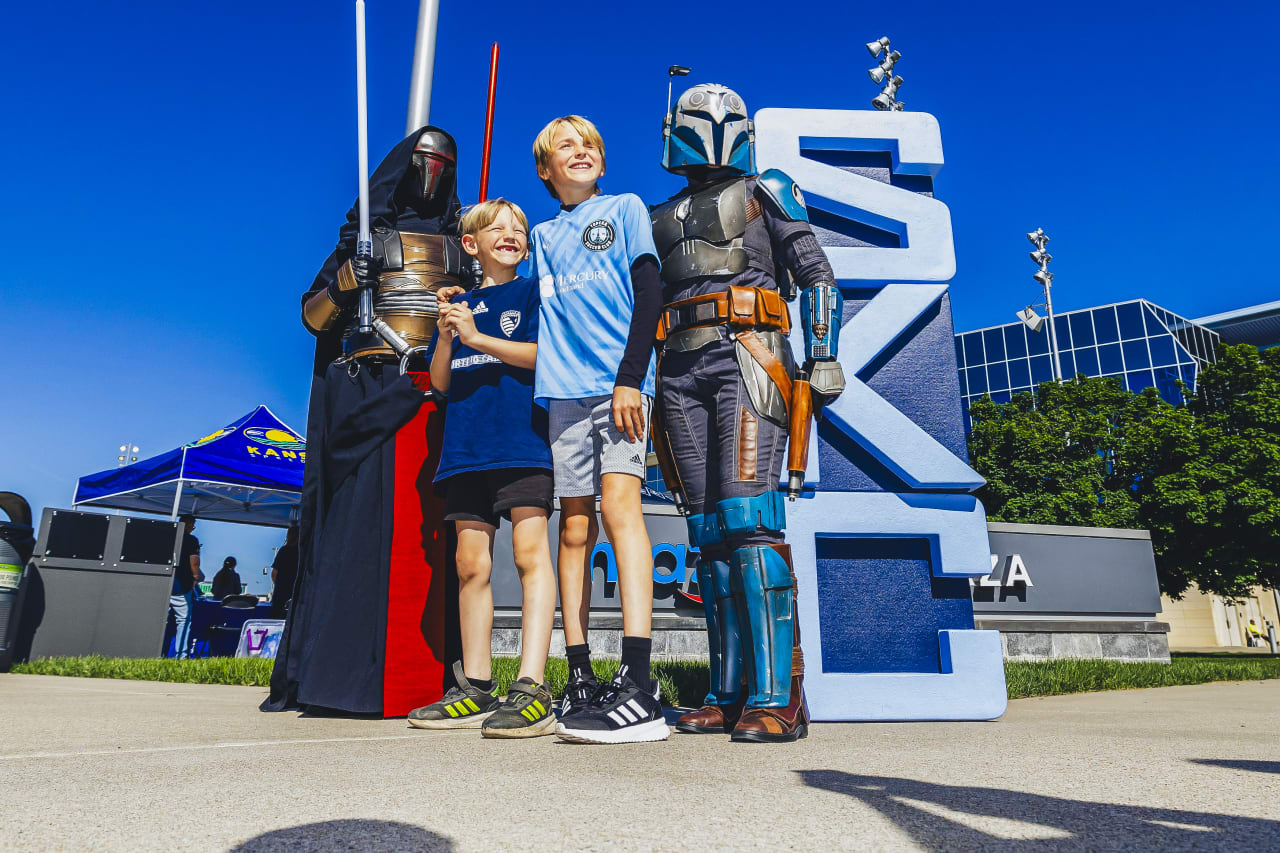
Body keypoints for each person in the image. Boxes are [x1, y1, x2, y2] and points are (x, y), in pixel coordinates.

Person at [649, 84, 846, 743]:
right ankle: (728, 692)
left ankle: (778, 696)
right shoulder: (658, 213)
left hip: (747, 357)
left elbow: (815, 273)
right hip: (676, 367)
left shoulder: (767, 190)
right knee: (709, 536)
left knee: (749, 523)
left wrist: (822, 354)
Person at [263, 126, 465, 716]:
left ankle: (435, 677)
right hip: (367, 390)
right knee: (353, 529)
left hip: (437, 396)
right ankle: (340, 676)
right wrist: (351, 277)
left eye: (442, 163)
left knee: (434, 541)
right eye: (422, 161)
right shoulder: (363, 242)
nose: (431, 172)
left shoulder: (463, 246)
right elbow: (313, 315)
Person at [528, 115, 667, 744]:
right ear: (545, 170)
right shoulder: (540, 234)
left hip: (620, 389)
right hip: (561, 394)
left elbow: (650, 296)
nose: (579, 151)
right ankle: (579, 671)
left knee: (620, 509)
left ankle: (638, 676)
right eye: (565, 146)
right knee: (573, 525)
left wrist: (631, 379)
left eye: (589, 145)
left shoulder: (626, 208)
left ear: (602, 163)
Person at [406, 199, 558, 738]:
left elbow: (548, 357)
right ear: (470, 245)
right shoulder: (457, 305)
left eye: (519, 228)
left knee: (528, 556)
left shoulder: (535, 292)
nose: (511, 234)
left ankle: (533, 687)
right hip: (465, 450)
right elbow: (441, 384)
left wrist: (477, 337)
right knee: (471, 565)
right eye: (497, 228)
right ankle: (475, 684)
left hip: (522, 443)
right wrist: (449, 334)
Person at [169, 515, 200, 659]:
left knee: (163, 620)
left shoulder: (169, 535)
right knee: (183, 620)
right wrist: (195, 576)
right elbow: (194, 561)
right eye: (192, 526)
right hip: (182, 582)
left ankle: (157, 652)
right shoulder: (191, 540)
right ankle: (181, 655)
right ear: (188, 525)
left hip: (164, 581)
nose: (192, 529)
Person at [269, 526, 299, 619]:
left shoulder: (283, 550)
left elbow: (274, 573)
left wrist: (278, 584)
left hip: (280, 593)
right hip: (295, 593)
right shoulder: (302, 553)